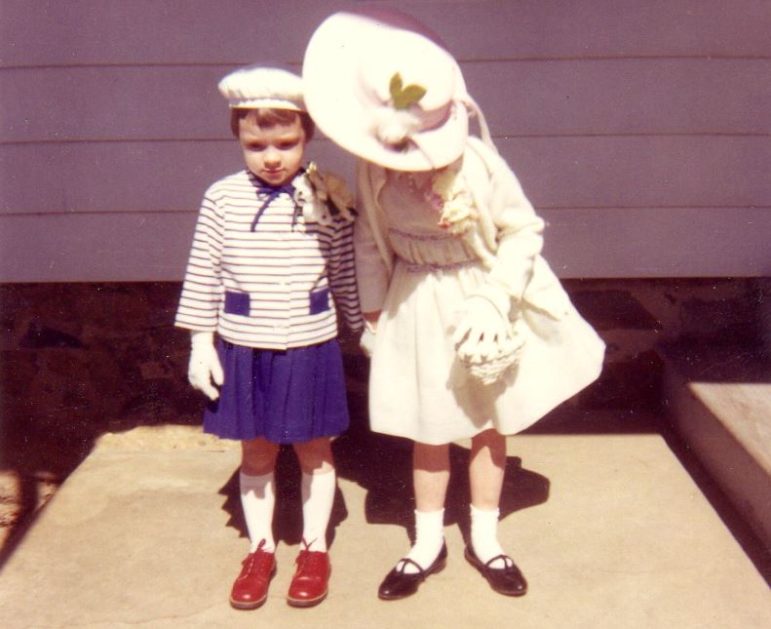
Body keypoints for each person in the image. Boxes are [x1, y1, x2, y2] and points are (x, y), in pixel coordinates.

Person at [303, 10, 605, 600]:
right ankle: (424, 542)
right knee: (428, 425)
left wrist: (496, 299)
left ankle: (486, 538)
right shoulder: (375, 171)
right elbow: (369, 239)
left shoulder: (481, 165)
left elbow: (523, 230)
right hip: (415, 299)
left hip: (479, 299)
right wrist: (370, 312)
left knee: (489, 423)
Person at [175, 64, 362, 610]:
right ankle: (260, 549)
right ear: (238, 138)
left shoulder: (327, 194)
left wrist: (362, 325)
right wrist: (199, 342)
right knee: (255, 450)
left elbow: (343, 266)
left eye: (286, 142)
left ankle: (314, 546)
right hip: (245, 344)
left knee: (314, 447)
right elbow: (203, 269)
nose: (272, 156)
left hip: (309, 343)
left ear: (307, 136)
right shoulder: (222, 198)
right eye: (257, 144)